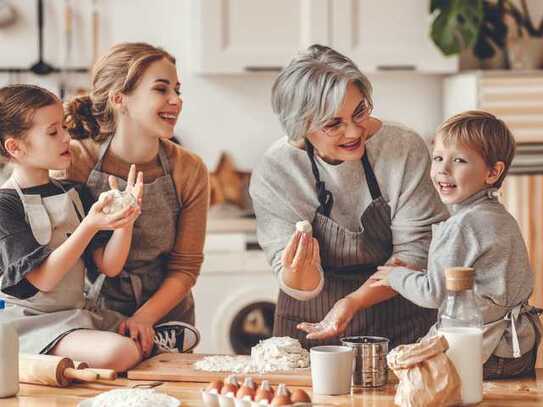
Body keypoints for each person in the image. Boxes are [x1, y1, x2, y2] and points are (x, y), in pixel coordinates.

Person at [249, 44, 448, 348]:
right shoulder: (277, 169)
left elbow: (417, 251)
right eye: (333, 124)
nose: (354, 132)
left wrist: (353, 302)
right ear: (301, 127)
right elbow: (295, 282)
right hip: (311, 324)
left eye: (359, 112)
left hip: (403, 318)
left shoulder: (402, 147)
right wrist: (299, 274)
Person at [59, 42, 208, 357]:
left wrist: (145, 318)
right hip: (91, 319)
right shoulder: (75, 160)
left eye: (178, 91)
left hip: (167, 321)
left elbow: (185, 267)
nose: (176, 101)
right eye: (161, 89)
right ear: (119, 99)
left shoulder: (189, 169)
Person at [371, 111, 542, 379]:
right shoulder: (499, 216)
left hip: (485, 353)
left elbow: (433, 293)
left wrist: (396, 277)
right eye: (438, 158)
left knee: (406, 375)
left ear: (492, 172)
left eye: (459, 160)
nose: (443, 169)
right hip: (519, 350)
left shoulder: (463, 225)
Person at [0, 84, 143, 371]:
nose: (66, 137)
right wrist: (89, 225)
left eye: (64, 127)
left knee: (137, 338)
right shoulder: (5, 205)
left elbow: (109, 266)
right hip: (25, 322)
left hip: (75, 316)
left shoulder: (74, 192)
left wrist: (124, 219)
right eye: (53, 132)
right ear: (15, 147)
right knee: (121, 352)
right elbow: (43, 280)